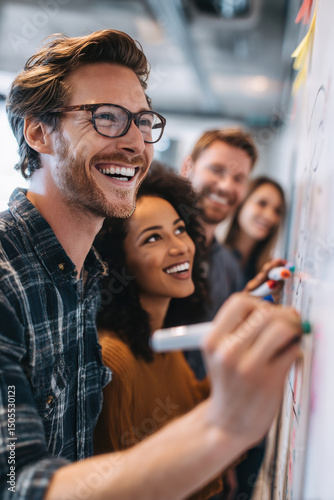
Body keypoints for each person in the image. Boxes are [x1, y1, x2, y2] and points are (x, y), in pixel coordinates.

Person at [0, 29, 302, 500]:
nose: (136, 143)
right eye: (106, 118)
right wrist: (223, 425)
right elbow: (19, 481)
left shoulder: (87, 275)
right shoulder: (6, 278)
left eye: (142, 122)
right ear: (38, 131)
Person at [93, 166, 224, 499]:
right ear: (118, 263)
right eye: (153, 238)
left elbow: (188, 406)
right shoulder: (114, 358)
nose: (180, 247)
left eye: (179, 230)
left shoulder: (161, 338)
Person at [224, 176, 286, 286]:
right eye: (262, 203)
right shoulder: (214, 258)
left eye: (277, 211)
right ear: (241, 204)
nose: (270, 216)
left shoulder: (268, 270)